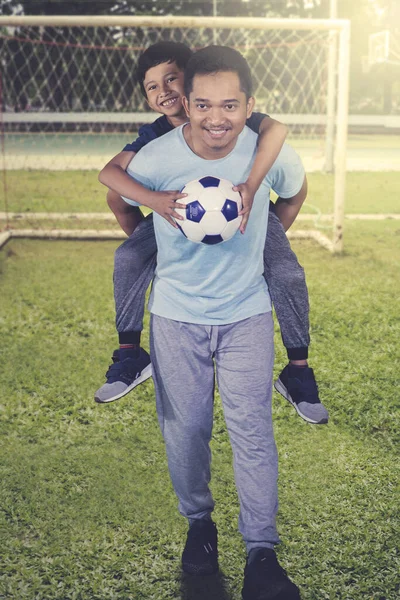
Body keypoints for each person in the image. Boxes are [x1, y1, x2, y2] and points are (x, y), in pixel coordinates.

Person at [120, 44, 306, 600]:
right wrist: (151, 209)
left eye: (230, 105)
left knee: (253, 432)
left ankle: (261, 554)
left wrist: (266, 235)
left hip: (246, 313)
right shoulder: (159, 155)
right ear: (188, 102)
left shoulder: (262, 151)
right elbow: (114, 180)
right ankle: (200, 526)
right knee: (188, 433)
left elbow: (294, 192)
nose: (216, 118)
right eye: (203, 104)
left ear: (249, 105)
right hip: (176, 318)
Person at [95, 41, 329, 425]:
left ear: (193, 85)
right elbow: (111, 181)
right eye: (152, 86)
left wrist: (258, 236)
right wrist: (156, 214)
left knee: (287, 273)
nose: (165, 91)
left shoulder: (236, 119)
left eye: (172, 79)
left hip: (245, 214)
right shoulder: (153, 137)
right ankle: (130, 354)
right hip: (174, 214)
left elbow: (279, 132)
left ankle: (298, 370)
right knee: (128, 257)